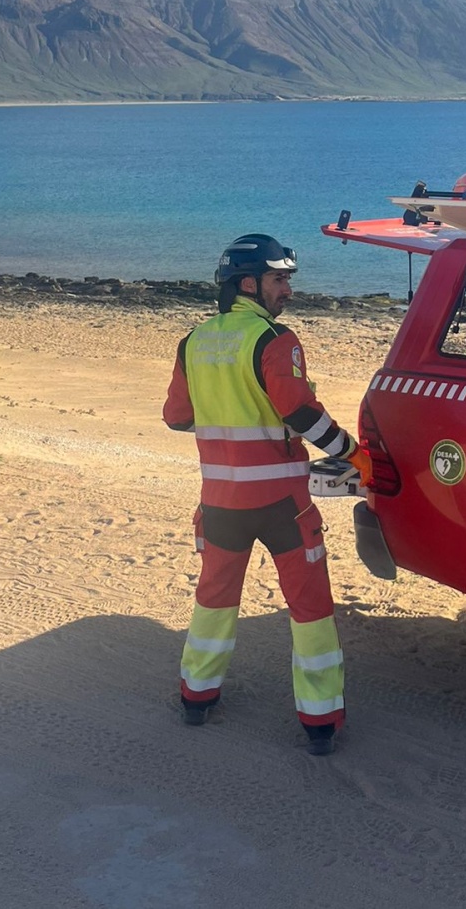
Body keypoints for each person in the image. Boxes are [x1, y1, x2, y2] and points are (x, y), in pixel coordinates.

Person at [163, 233, 372, 756]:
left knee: (213, 601)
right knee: (310, 609)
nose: (288, 291)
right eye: (280, 279)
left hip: (219, 504)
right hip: (283, 506)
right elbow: (301, 413)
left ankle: (196, 697)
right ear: (249, 283)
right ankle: (319, 723)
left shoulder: (193, 342)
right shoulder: (275, 340)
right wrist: (350, 451)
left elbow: (177, 418)